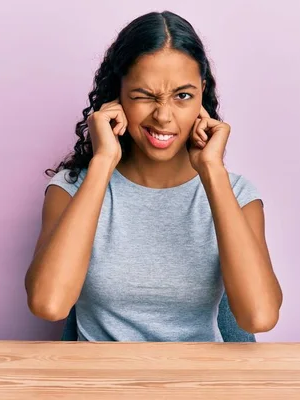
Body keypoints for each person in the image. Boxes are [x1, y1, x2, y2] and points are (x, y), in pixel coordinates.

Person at [25, 10, 282, 342]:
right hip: (100, 386)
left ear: (202, 93)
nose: (163, 116)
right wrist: (103, 160)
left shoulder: (237, 193)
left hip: (200, 387)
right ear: (117, 96)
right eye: (144, 95)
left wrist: (212, 172)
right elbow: (49, 304)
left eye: (183, 96)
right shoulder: (71, 189)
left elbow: (258, 317)